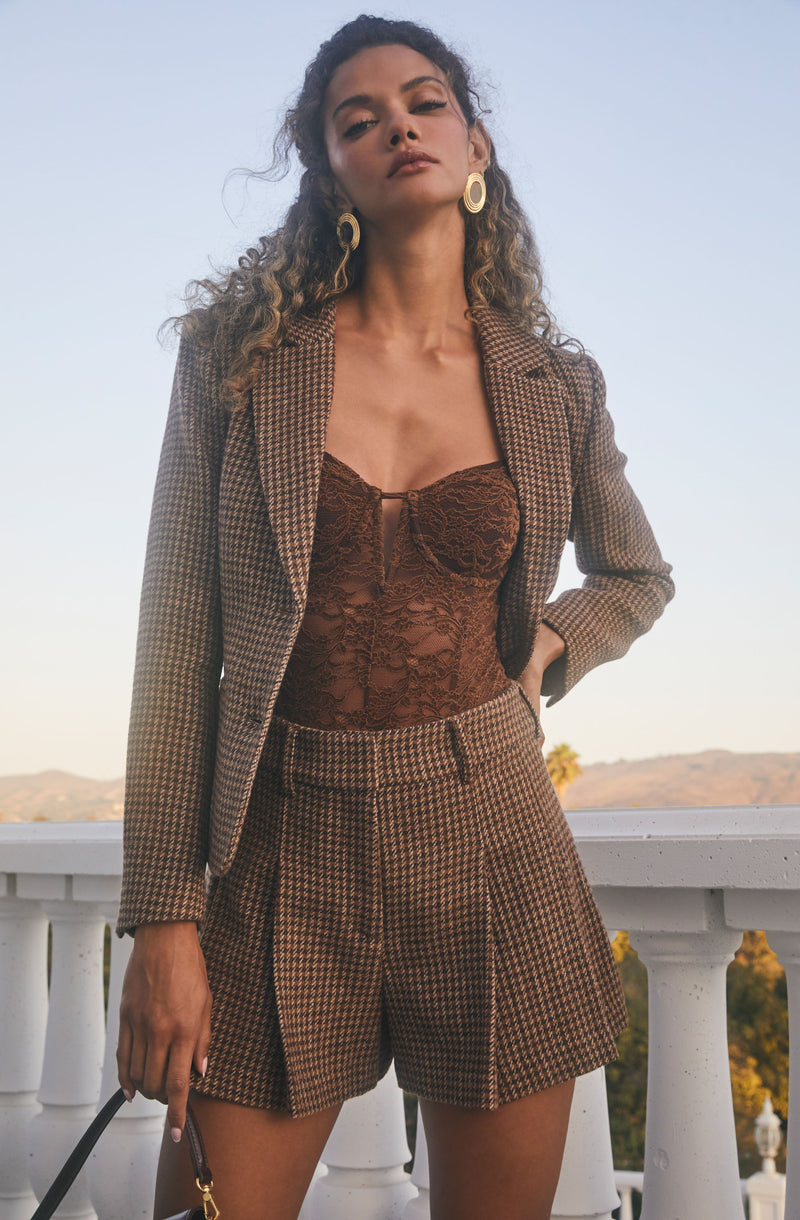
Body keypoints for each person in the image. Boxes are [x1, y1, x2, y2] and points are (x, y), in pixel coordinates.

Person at [115, 15, 674, 1220]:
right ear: (329, 172)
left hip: (489, 836)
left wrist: (553, 639)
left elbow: (635, 572)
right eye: (355, 118)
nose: (395, 126)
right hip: (278, 841)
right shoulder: (241, 359)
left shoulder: (547, 383)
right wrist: (164, 919)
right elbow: (175, 649)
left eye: (422, 103)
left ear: (471, 142)